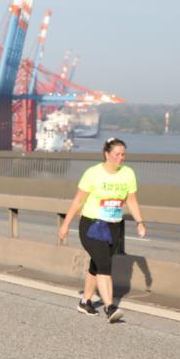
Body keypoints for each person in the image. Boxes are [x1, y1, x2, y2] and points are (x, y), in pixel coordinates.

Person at [58, 137, 146, 323]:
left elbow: (131, 200)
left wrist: (139, 222)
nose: (120, 158)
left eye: (123, 154)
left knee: (97, 265)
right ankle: (110, 307)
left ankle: (85, 302)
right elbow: (78, 201)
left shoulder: (128, 173)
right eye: (116, 154)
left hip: (115, 226)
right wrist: (65, 224)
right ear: (107, 154)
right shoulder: (93, 173)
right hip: (92, 225)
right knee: (105, 265)